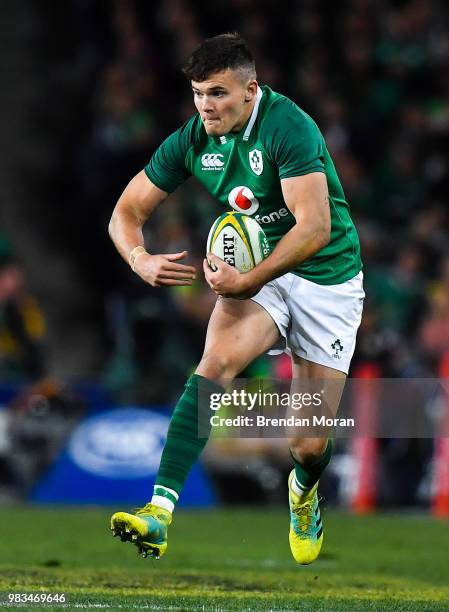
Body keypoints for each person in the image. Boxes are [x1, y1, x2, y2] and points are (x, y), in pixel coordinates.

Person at [108, 33, 364, 565]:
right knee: (216, 363)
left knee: (308, 445)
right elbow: (126, 212)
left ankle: (304, 492)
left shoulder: (288, 127)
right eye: (199, 93)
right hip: (261, 275)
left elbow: (314, 228)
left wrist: (248, 279)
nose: (206, 106)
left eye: (219, 94)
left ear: (251, 89)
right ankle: (158, 511)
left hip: (327, 279)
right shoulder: (192, 138)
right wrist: (141, 259)